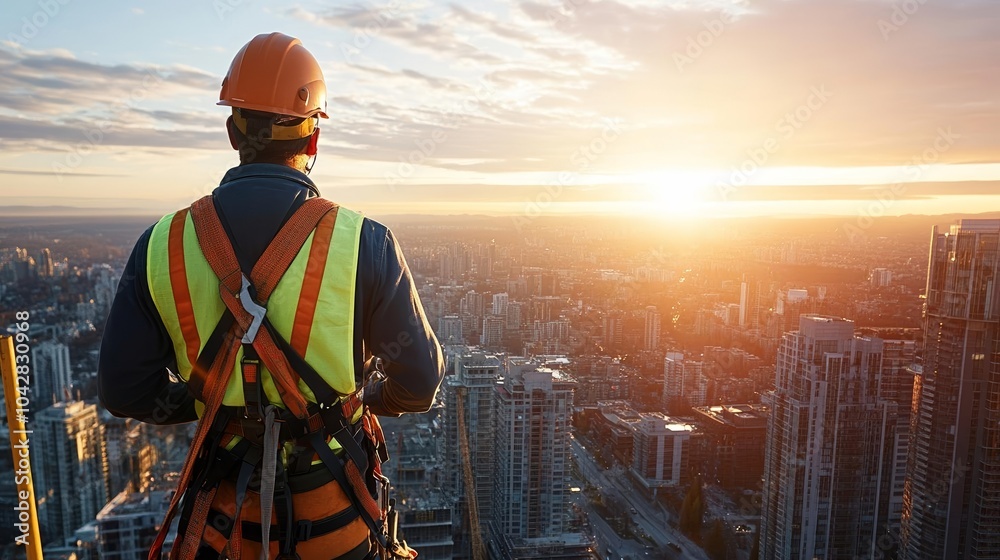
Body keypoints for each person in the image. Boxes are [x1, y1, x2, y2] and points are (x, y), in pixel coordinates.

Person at [98, 32, 444, 560]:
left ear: (233, 132)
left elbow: (124, 390)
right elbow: (419, 383)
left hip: (224, 523)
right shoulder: (363, 242)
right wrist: (360, 399)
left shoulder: (160, 245)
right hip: (333, 526)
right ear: (313, 141)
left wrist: (213, 401)